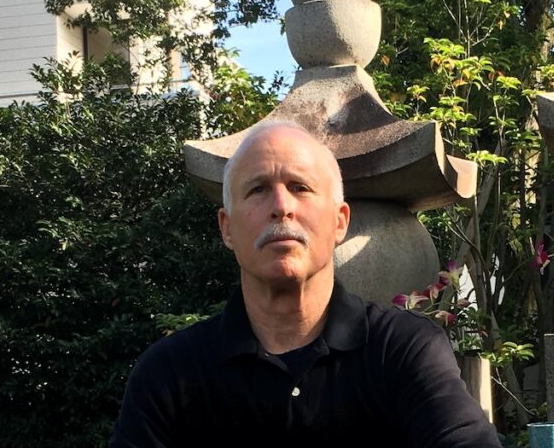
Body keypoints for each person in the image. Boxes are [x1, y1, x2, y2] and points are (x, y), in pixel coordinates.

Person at [109, 121, 501, 447]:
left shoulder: (401, 350)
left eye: (300, 187)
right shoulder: (169, 373)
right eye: (258, 189)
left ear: (340, 222)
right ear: (227, 228)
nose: (282, 207)